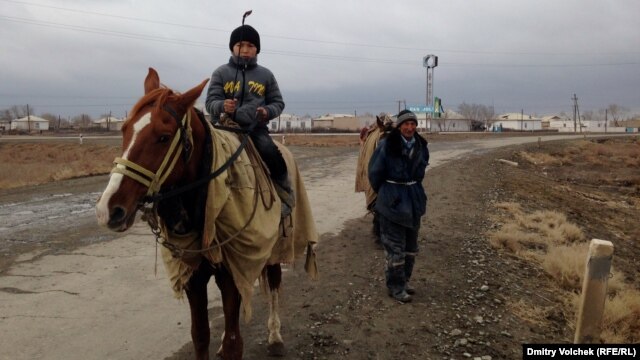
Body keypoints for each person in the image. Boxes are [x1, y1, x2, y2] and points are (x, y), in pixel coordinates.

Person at [205, 24, 294, 215]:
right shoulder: (220, 73)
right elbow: (210, 102)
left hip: (255, 128)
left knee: (269, 150)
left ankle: (284, 189)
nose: (245, 50)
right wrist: (222, 106)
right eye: (240, 45)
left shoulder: (266, 75)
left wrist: (266, 112)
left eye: (251, 46)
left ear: (257, 49)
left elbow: (278, 102)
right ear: (232, 47)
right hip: (224, 128)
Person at [368, 110, 429, 303]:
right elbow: (374, 173)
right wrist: (388, 193)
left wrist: (413, 190)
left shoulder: (421, 146)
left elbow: (420, 172)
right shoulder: (387, 145)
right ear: (400, 126)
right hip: (392, 201)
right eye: (406, 124)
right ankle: (395, 286)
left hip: (413, 200)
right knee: (395, 248)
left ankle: (405, 280)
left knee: (411, 247)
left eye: (413, 124)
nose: (410, 128)